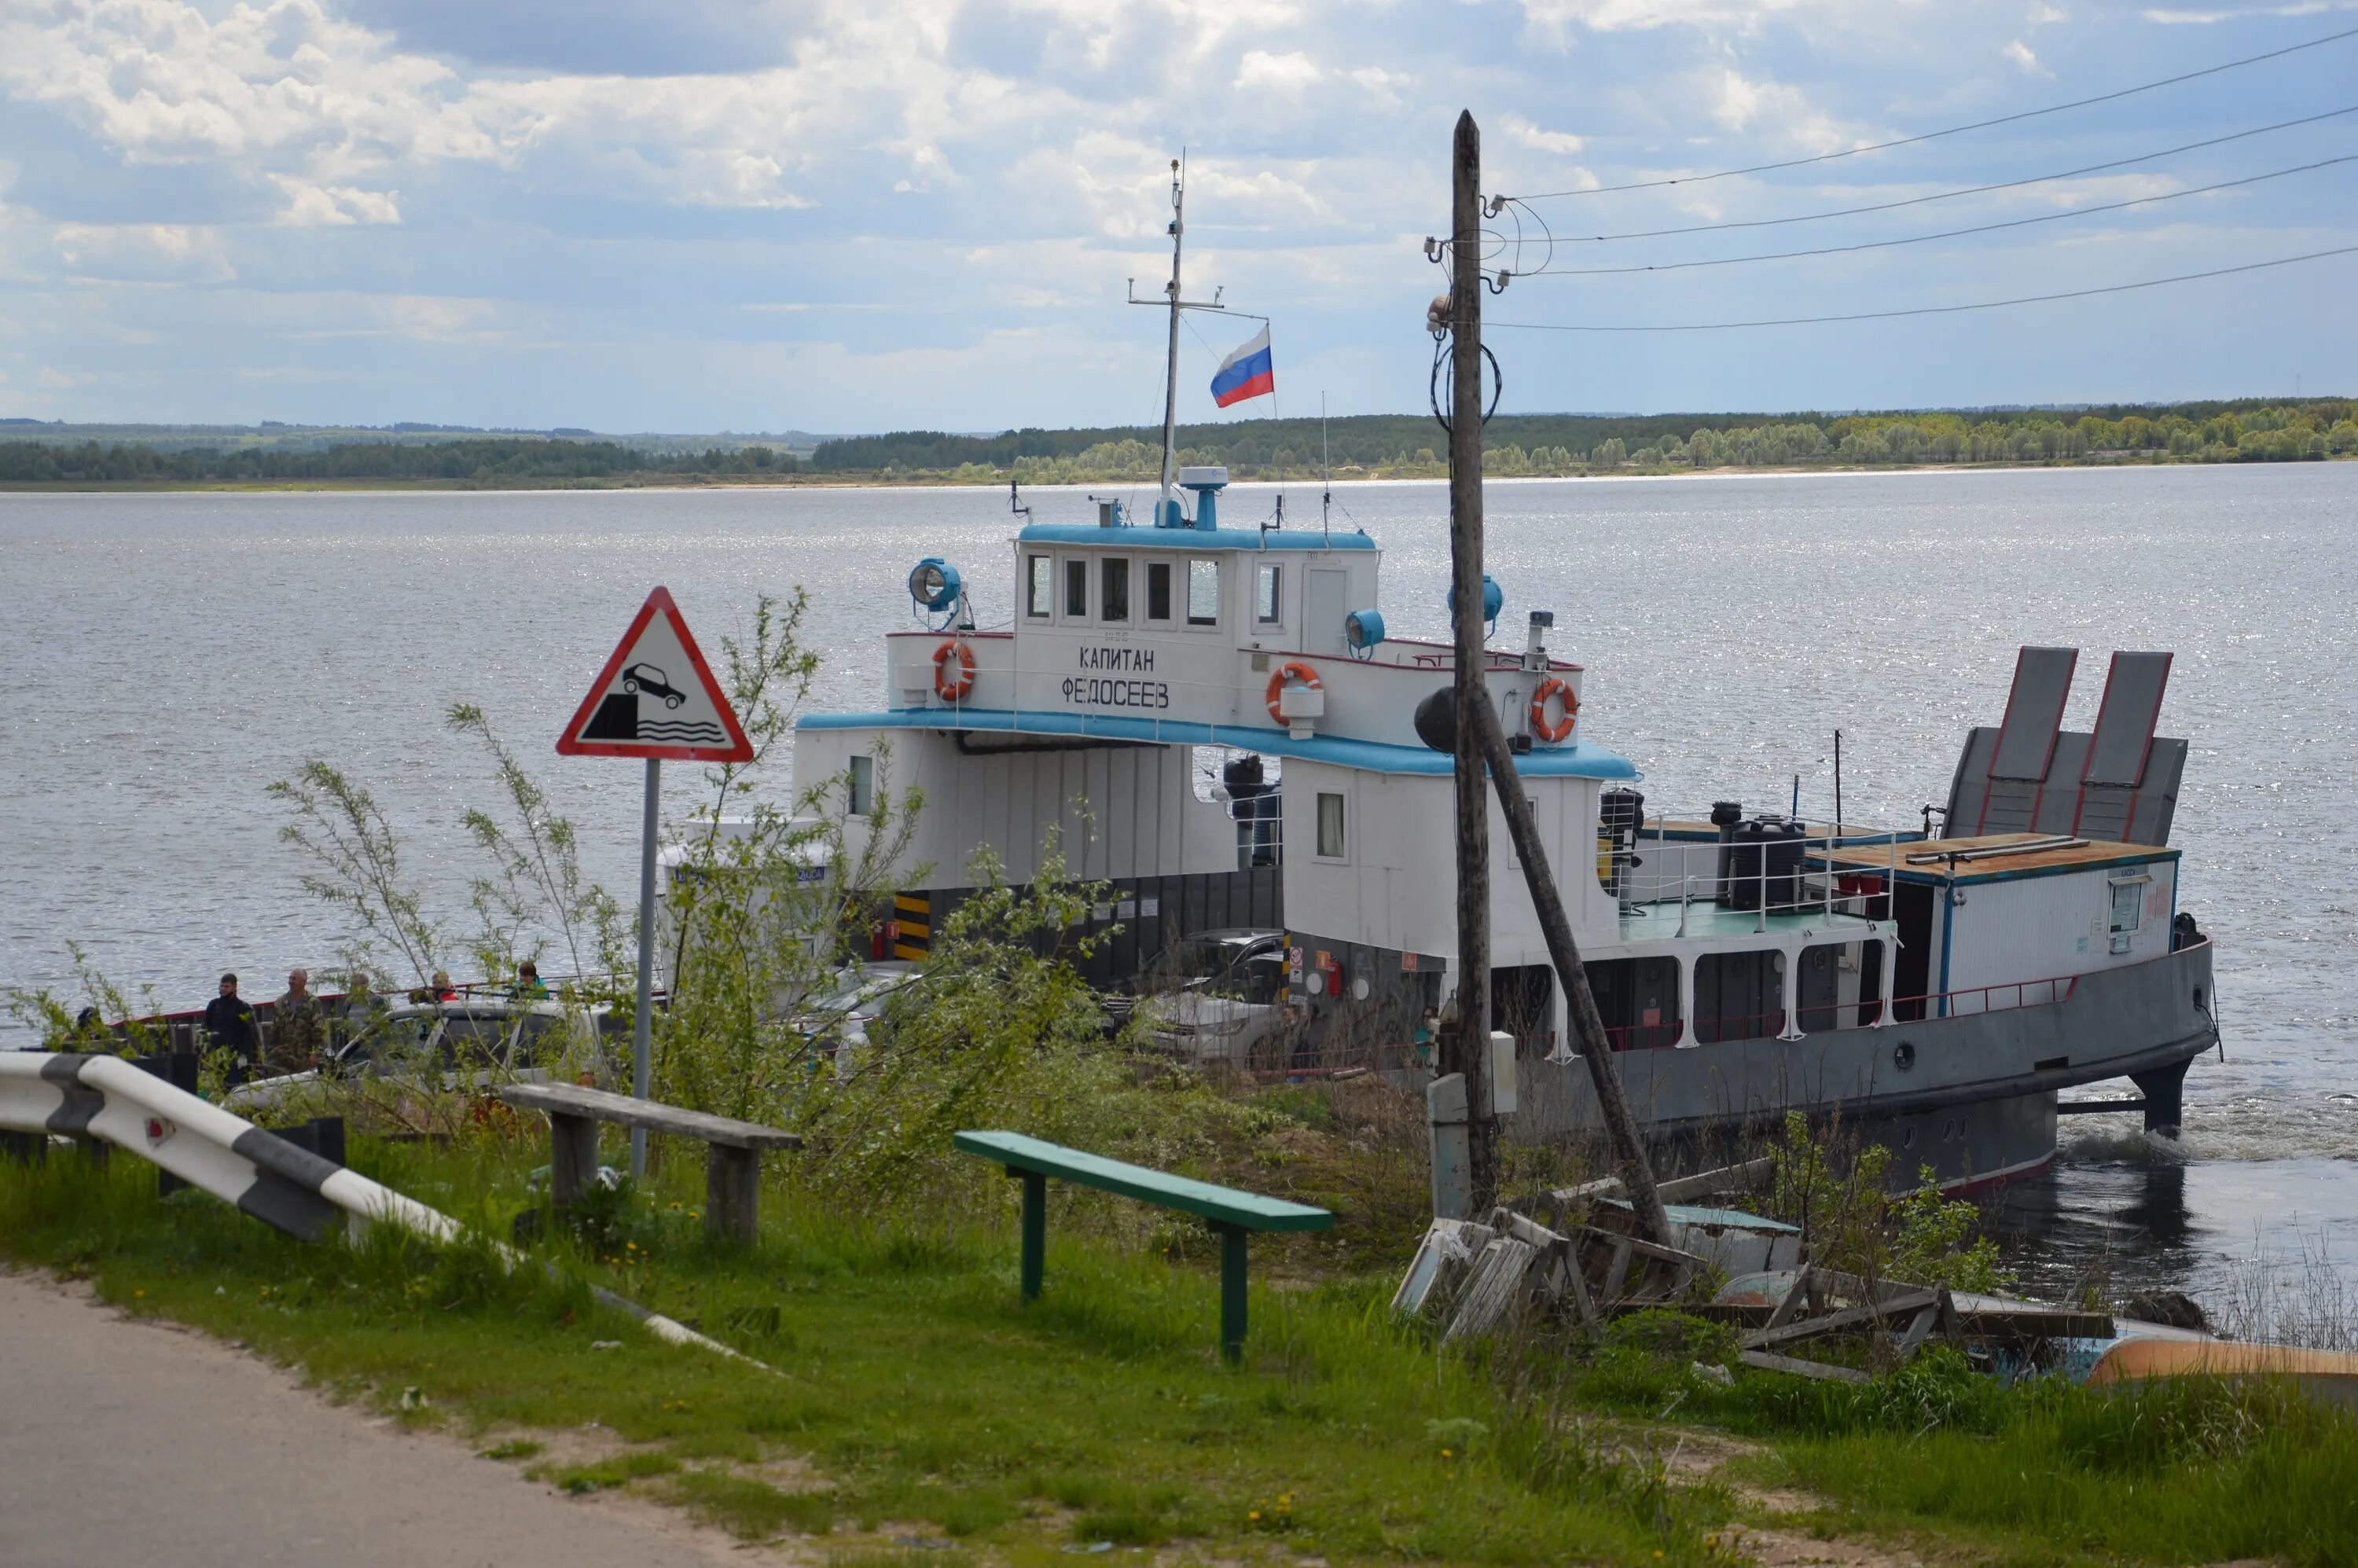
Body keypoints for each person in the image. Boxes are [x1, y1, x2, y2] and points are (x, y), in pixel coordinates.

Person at [266, 968, 326, 1076]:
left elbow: (319, 1030)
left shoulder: (313, 1003)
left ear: (303, 982)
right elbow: (274, 1030)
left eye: (294, 979)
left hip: (304, 1057)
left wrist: (316, 1054)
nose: (291, 982)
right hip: (282, 1057)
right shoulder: (280, 1003)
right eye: (290, 978)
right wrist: (271, 1052)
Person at [202, 972, 259, 1081]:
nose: (224, 989)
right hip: (216, 1055)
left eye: (227, 986)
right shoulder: (213, 1005)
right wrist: (202, 1051)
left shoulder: (243, 1008)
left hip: (235, 1056)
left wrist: (245, 1056)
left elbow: (249, 1035)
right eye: (222, 986)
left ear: (234, 987)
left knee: (234, 1085)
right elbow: (205, 1027)